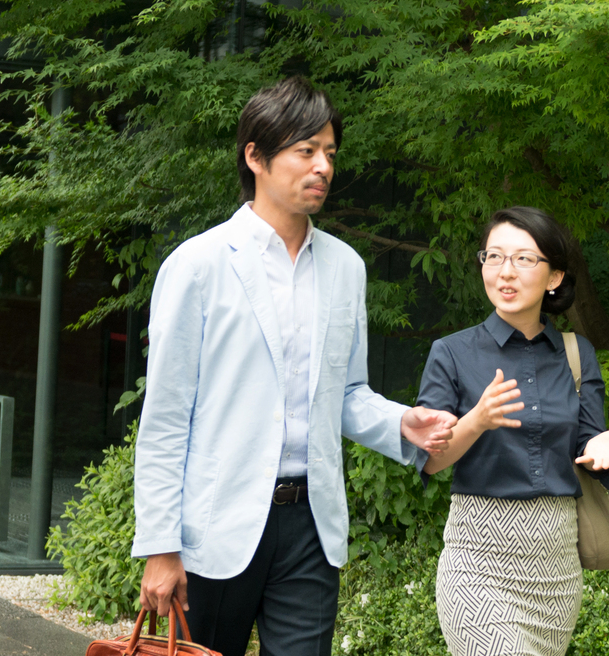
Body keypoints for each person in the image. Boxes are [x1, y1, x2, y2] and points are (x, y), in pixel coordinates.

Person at [132, 76, 459, 656]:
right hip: (215, 527)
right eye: (305, 151)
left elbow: (348, 392)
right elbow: (165, 416)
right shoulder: (198, 265)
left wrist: (402, 423)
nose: (323, 167)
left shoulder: (345, 267)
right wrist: (161, 544)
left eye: (330, 153)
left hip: (311, 524)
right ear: (255, 156)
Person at [417, 206, 609, 656]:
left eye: (523, 259)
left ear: (553, 277)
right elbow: (431, 459)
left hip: (556, 571)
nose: (505, 272)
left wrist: (598, 445)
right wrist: (476, 420)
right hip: (477, 563)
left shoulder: (577, 354)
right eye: (493, 257)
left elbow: (585, 445)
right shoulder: (451, 353)